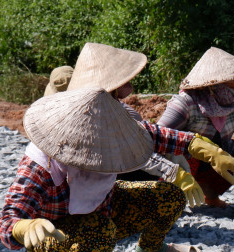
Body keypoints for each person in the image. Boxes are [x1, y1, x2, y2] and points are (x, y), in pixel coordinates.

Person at [0, 87, 234, 252]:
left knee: (167, 196)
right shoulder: (40, 167)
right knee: (99, 231)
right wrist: (23, 228)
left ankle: (151, 250)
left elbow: (152, 134)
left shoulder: (106, 130)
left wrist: (200, 146)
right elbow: (8, 217)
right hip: (56, 235)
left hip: (104, 207)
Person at [65, 42, 205, 205]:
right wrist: (172, 172)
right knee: (166, 193)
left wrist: (188, 144)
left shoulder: (117, 108)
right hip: (88, 191)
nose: (130, 79)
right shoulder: (93, 116)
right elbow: (134, 150)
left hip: (99, 184)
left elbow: (147, 135)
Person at [156, 47, 234, 208]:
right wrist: (176, 171)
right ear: (215, 84)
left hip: (219, 154)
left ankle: (211, 195)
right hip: (189, 159)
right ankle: (171, 200)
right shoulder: (185, 103)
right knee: (184, 156)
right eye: (232, 80)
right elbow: (158, 136)